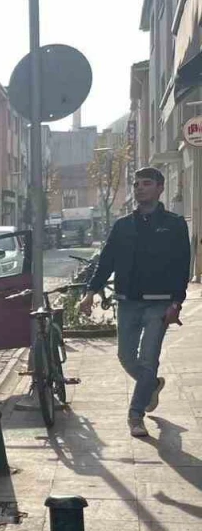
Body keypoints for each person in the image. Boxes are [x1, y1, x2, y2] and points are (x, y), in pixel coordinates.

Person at [80, 167, 190, 438]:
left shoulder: (174, 224)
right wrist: (90, 291)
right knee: (126, 357)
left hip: (159, 304)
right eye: (136, 184)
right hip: (127, 302)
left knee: (148, 359)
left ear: (160, 188)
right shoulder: (123, 226)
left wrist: (176, 303)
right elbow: (106, 261)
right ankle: (151, 385)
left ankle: (135, 414)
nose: (139, 188)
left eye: (146, 183)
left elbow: (182, 266)